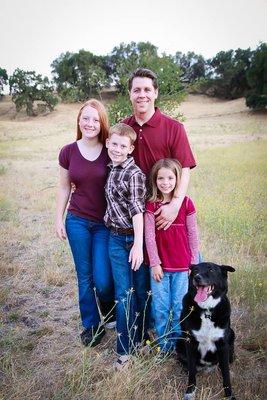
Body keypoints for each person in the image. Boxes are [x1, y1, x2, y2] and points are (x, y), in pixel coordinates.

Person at [55, 99, 115, 347]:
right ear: (79, 121)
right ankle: (91, 326)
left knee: (102, 279)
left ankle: (108, 306)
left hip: (103, 224)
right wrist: (58, 218)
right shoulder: (68, 151)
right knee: (85, 276)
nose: (90, 123)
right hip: (77, 220)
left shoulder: (110, 150)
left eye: (95, 119)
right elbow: (63, 187)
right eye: (85, 118)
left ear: (102, 123)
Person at [123, 68, 196, 230]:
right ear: (130, 94)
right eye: (136, 90)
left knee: (176, 254)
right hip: (130, 212)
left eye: (147, 90)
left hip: (162, 212)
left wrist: (175, 205)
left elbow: (184, 169)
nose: (142, 95)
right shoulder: (123, 128)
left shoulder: (174, 128)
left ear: (156, 93)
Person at [104, 123, 150, 369]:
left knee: (141, 291)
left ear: (131, 149)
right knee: (123, 295)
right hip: (114, 239)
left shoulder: (134, 174)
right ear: (108, 144)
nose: (118, 149)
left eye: (123, 146)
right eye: (114, 144)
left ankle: (141, 338)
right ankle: (125, 351)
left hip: (133, 239)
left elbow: (137, 212)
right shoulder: (111, 168)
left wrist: (138, 246)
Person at [144, 158, 199, 355]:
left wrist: (194, 264)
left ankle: (179, 346)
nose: (165, 182)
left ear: (177, 179)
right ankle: (163, 346)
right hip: (160, 268)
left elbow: (193, 235)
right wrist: (155, 263)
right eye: (160, 178)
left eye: (170, 178)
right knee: (160, 309)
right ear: (154, 179)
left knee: (178, 308)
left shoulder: (186, 203)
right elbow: (149, 236)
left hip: (183, 268)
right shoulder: (151, 205)